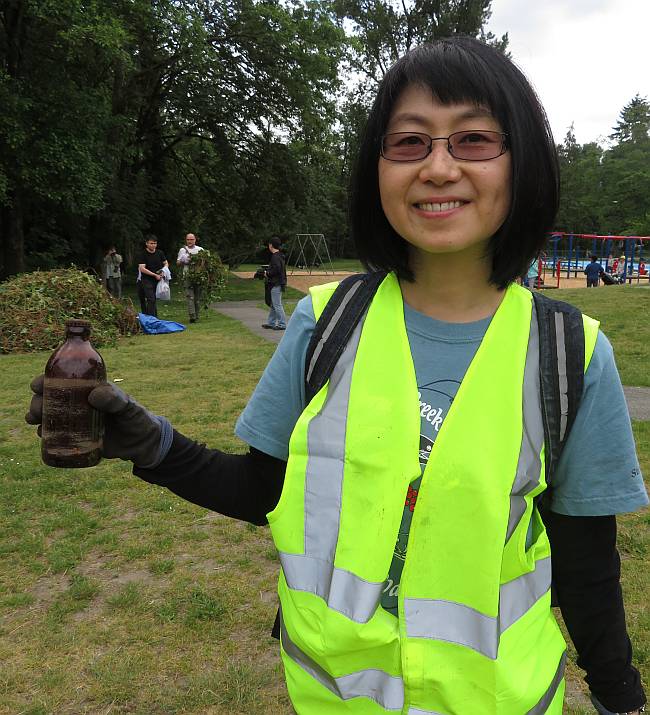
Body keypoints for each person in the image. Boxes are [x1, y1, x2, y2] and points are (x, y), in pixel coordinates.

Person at [26, 38, 647, 715]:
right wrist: (155, 447)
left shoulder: (570, 354)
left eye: (472, 139)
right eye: (409, 142)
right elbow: (268, 491)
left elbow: (587, 566)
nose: (438, 168)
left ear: (521, 162)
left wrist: (618, 695)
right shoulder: (325, 324)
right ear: (375, 169)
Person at [137, 235, 168, 317]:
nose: (153, 245)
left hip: (157, 280)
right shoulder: (143, 254)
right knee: (150, 299)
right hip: (146, 280)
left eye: (155, 243)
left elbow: (166, 263)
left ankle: (154, 318)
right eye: (151, 243)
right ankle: (151, 319)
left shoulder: (160, 253)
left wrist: (163, 271)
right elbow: (142, 268)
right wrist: (154, 275)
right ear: (146, 243)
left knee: (153, 299)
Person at [176, 233, 204, 323]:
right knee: (189, 296)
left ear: (195, 240)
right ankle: (192, 316)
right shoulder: (182, 250)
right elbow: (178, 263)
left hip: (198, 276)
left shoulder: (200, 250)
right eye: (188, 239)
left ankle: (197, 315)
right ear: (186, 240)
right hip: (187, 276)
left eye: (191, 239)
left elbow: (205, 263)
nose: (189, 241)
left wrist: (198, 263)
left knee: (197, 297)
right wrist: (183, 260)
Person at [262, 237, 287, 330]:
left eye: (269, 244)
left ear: (271, 245)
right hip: (278, 282)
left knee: (277, 304)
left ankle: (282, 324)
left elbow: (277, 269)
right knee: (273, 304)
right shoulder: (279, 255)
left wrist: (267, 273)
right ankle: (271, 323)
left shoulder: (275, 257)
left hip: (276, 283)